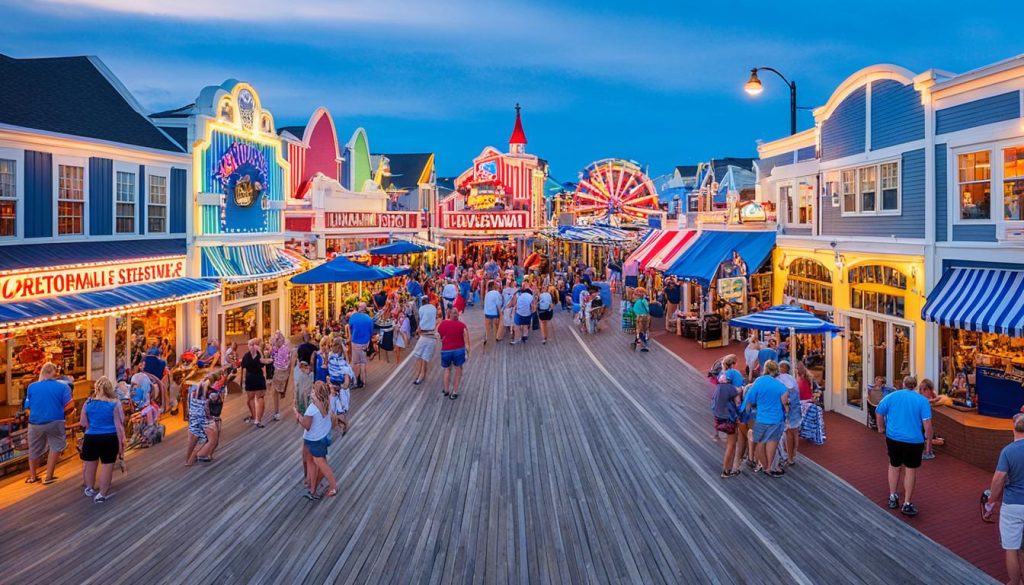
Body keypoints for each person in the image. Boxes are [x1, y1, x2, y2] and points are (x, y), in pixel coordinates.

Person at [875, 375, 932, 517]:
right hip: (914, 440)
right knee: (910, 470)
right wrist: (928, 440)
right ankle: (907, 503)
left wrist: (880, 428)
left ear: (903, 384)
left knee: (894, 466)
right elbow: (927, 424)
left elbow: (879, 412)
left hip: (893, 437)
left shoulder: (892, 397)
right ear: (915, 386)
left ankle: (893, 496)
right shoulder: (922, 401)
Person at [984, 413, 1024, 584]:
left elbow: (998, 479)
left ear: (1013, 428)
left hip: (1013, 505)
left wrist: (991, 502)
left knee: (1011, 548)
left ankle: (1015, 582)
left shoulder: (1008, 451)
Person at [23, 363, 73, 485]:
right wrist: (62, 414)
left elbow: (27, 407)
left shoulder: (31, 387)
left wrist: (35, 415)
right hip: (55, 420)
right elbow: (70, 405)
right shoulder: (63, 387)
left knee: (34, 449)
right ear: (54, 373)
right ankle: (49, 476)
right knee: (55, 446)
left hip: (35, 422)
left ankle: (33, 476)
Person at [78, 376, 125, 502]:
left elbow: (83, 422)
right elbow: (121, 420)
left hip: (91, 437)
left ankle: (89, 488)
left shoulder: (88, 403)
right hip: (109, 437)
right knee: (107, 466)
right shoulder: (115, 403)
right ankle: (102, 494)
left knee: (90, 464)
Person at [741, 361, 788, 478]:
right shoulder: (780, 386)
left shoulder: (758, 382)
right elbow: (784, 403)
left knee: (760, 444)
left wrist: (746, 413)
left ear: (765, 369)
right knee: (772, 443)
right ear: (775, 371)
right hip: (776, 419)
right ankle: (769, 468)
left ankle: (765, 466)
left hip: (761, 418)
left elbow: (750, 400)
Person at [295, 382, 337, 500]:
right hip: (323, 436)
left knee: (321, 464)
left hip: (314, 439)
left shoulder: (312, 409)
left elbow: (306, 425)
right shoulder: (328, 402)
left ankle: (333, 486)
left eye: (313, 391)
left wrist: (298, 416)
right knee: (314, 462)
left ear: (318, 393)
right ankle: (312, 488)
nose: (311, 393)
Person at [712, 371, 742, 478]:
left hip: (718, 420)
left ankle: (728, 468)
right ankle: (727, 470)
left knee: (728, 444)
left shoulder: (718, 388)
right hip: (728, 420)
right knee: (731, 445)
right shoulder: (730, 388)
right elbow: (738, 402)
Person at [438, 307, 470, 399]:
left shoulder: (443, 324)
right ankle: (454, 392)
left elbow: (440, 335)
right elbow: (466, 339)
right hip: (459, 350)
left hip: (446, 350)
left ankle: (446, 390)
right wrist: (468, 350)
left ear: (449, 314)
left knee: (447, 369)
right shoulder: (462, 325)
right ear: (458, 315)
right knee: (458, 370)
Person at [239, 338, 272, 428]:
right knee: (258, 398)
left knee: (252, 399)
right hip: (256, 378)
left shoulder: (247, 356)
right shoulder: (258, 355)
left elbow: (243, 369)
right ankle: (257, 419)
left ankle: (256, 417)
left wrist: (242, 382)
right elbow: (263, 364)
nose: (251, 347)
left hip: (252, 379)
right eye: (250, 345)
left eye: (252, 345)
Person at [777, 361, 802, 466]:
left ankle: (790, 457)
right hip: (796, 408)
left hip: (787, 408)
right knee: (794, 432)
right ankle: (793, 454)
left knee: (788, 434)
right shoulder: (792, 379)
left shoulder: (779, 380)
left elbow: (783, 397)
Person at [185, 376, 214, 466]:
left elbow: (189, 408)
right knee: (204, 440)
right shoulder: (206, 398)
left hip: (193, 420)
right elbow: (206, 411)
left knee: (192, 442)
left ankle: (188, 461)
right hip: (200, 419)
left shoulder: (192, 393)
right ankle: (190, 461)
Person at [411, 296, 438, 386]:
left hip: (425, 335)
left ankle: (418, 375)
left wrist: (417, 330)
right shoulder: (433, 308)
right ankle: (422, 374)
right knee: (425, 357)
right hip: (432, 336)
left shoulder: (421, 309)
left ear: (422, 302)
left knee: (418, 355)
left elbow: (421, 320)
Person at [347, 303, 374, 389]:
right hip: (365, 343)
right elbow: (371, 332)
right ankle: (364, 382)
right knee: (363, 363)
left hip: (355, 342)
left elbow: (349, 327)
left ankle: (355, 382)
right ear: (365, 309)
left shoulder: (353, 317)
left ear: (358, 308)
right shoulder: (369, 319)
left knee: (356, 363)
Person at [269, 331, 292, 422]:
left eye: (276, 340)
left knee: (276, 392)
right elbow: (273, 355)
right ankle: (276, 412)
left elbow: (282, 364)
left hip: (281, 372)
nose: (274, 343)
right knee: (275, 392)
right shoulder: (277, 347)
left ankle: (277, 412)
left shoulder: (284, 349)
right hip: (278, 371)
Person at [632, 287, 651, 352]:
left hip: (641, 317)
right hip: (643, 317)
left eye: (634, 294)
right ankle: (640, 342)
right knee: (641, 330)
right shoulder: (643, 301)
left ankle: (644, 344)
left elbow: (646, 309)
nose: (633, 296)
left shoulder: (641, 301)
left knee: (641, 330)